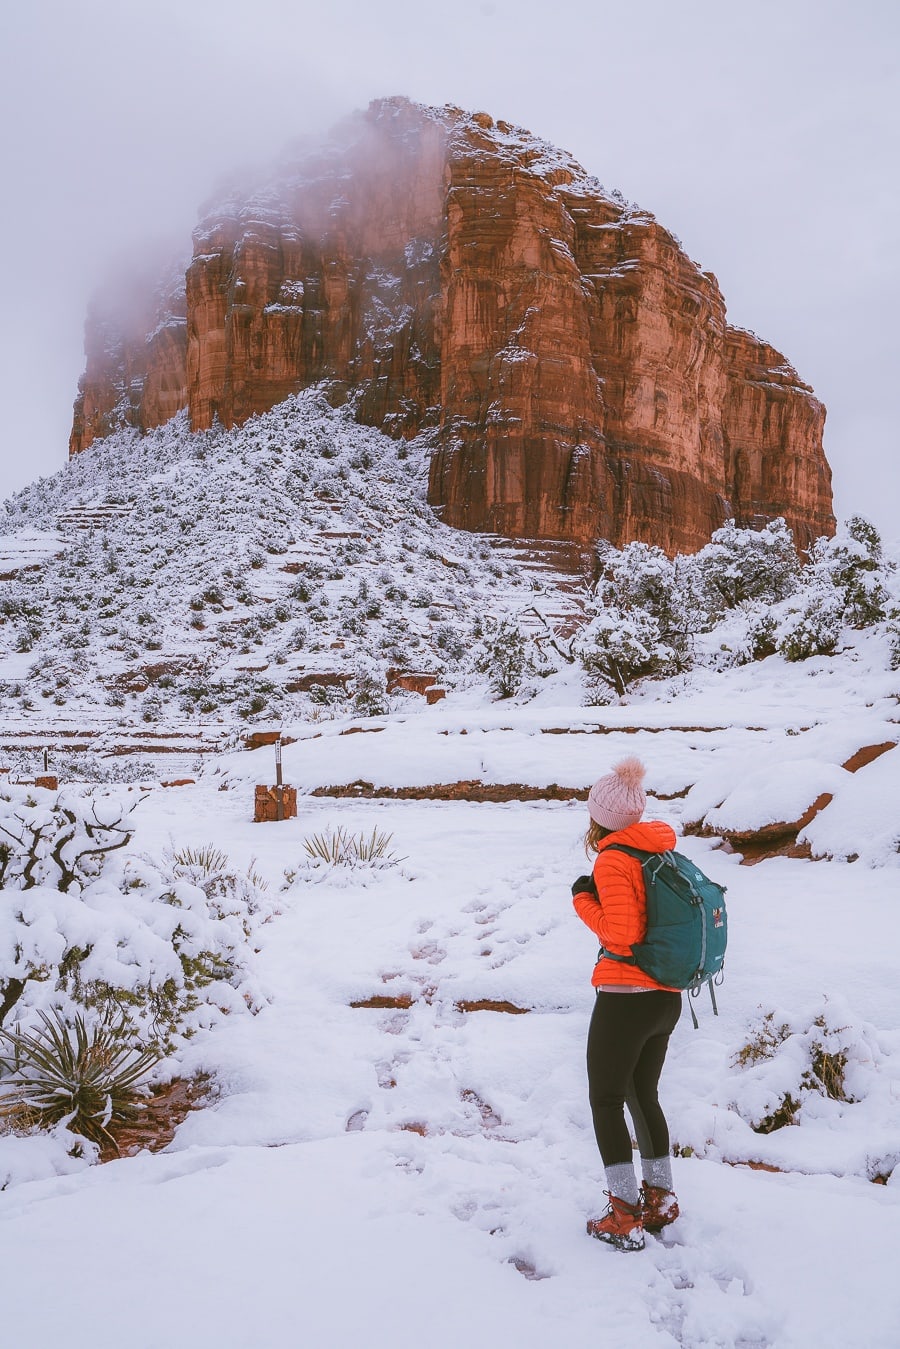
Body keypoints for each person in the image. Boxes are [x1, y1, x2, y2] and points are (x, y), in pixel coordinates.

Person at [571, 755, 682, 1251]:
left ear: (601, 818)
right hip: (665, 997)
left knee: (605, 1100)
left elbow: (622, 933)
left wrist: (582, 901)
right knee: (643, 1095)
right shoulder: (658, 851)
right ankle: (659, 1200)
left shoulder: (613, 858)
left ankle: (623, 1215)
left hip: (626, 997)